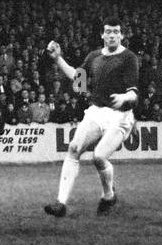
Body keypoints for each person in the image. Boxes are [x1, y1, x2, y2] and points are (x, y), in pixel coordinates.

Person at [43, 21, 140, 217]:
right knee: (74, 148)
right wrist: (58, 58)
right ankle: (60, 204)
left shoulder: (129, 58)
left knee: (99, 157)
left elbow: (134, 94)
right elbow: (77, 79)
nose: (112, 35)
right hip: (97, 110)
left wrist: (124, 97)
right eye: (108, 32)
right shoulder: (94, 57)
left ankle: (108, 196)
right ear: (102, 36)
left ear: (121, 36)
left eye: (116, 32)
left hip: (120, 115)